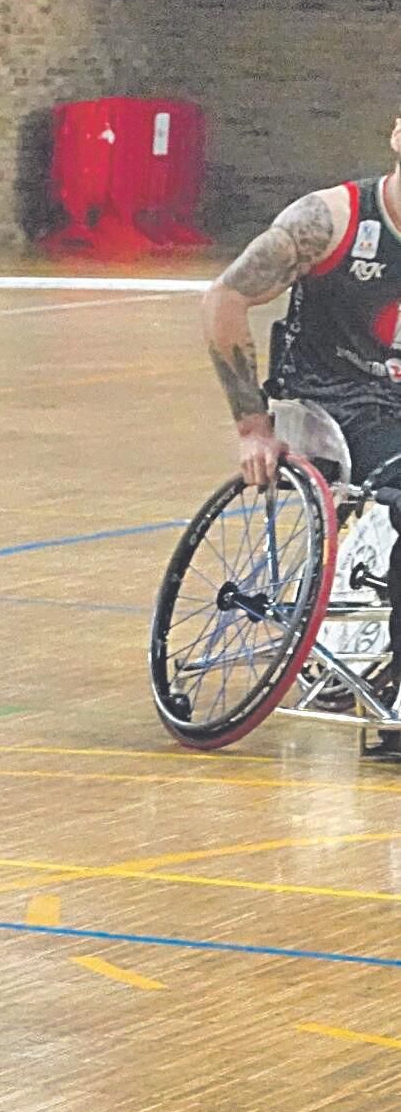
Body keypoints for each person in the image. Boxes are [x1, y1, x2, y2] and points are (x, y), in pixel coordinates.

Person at [202, 127, 401, 755]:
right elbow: (226, 298)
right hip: (331, 395)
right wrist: (252, 426)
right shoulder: (331, 218)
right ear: (396, 136)